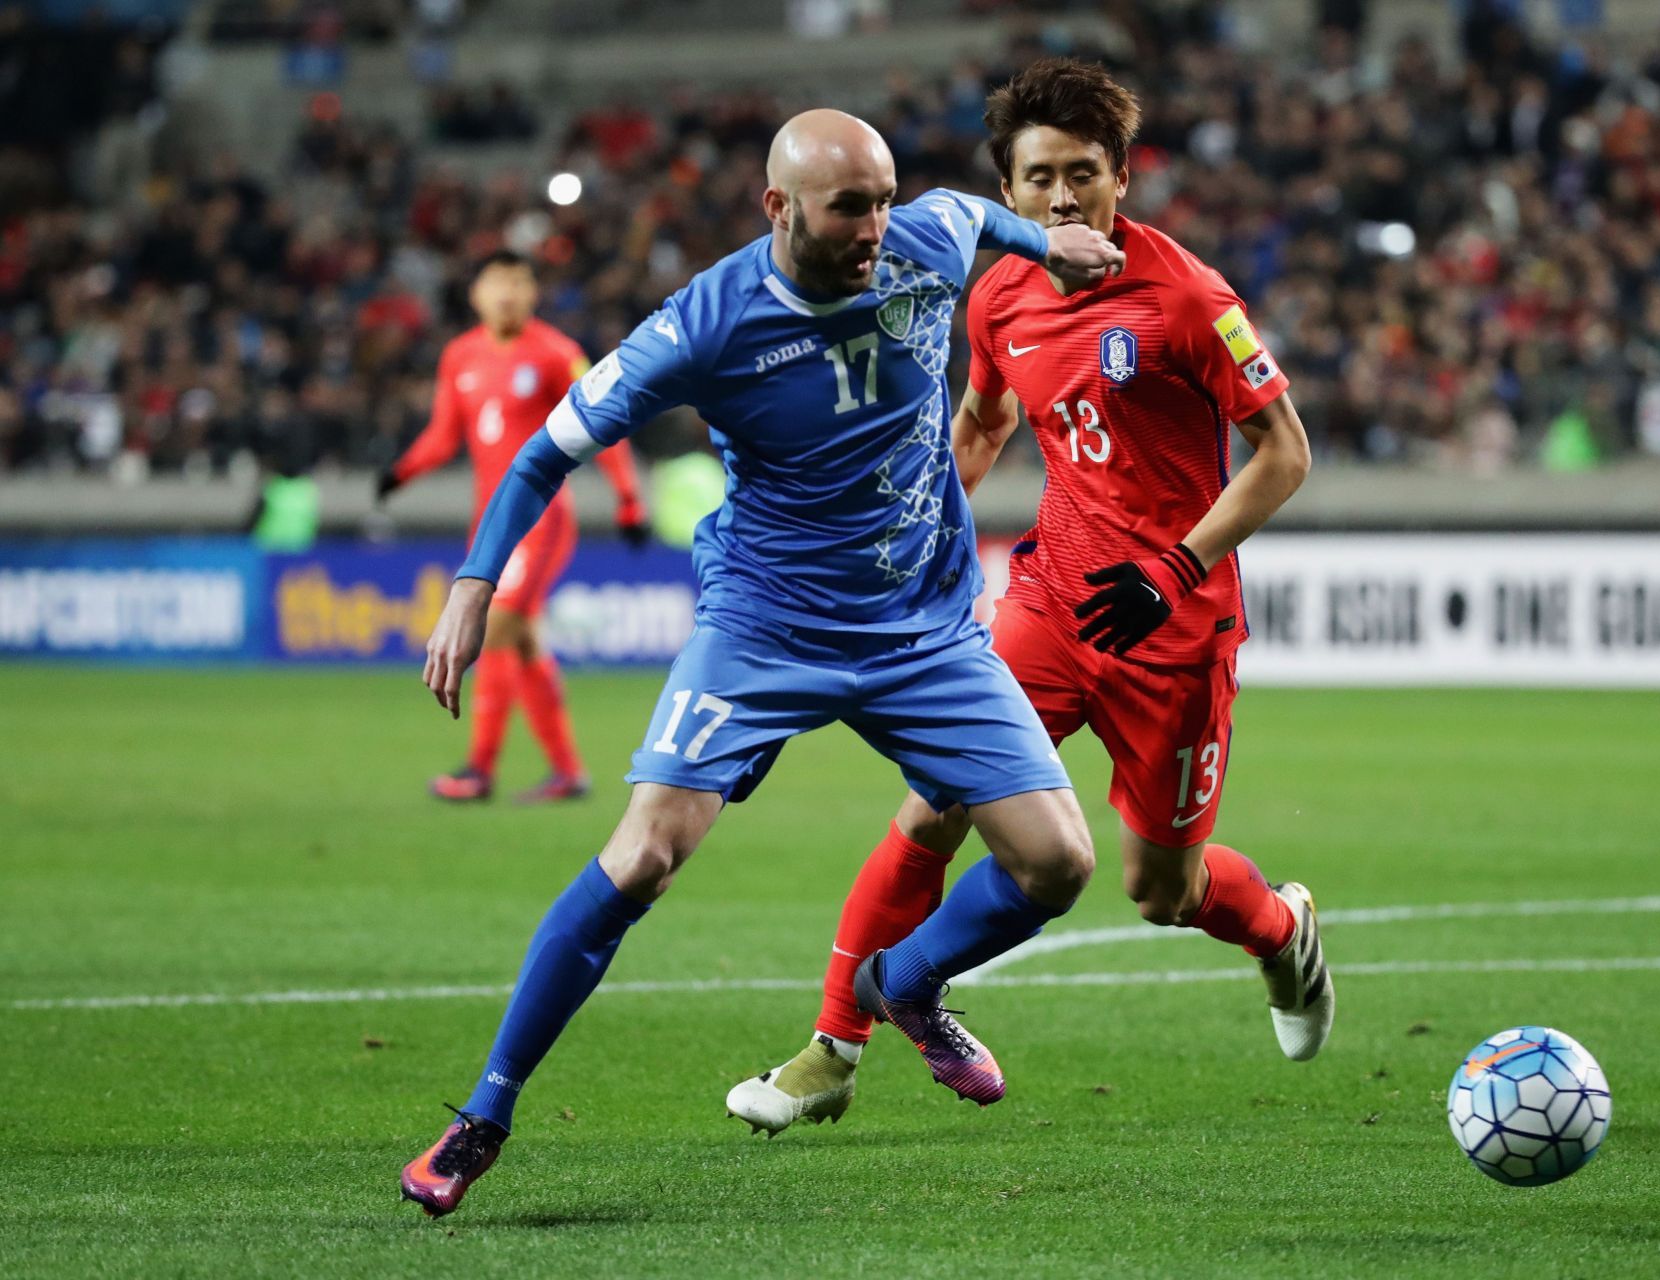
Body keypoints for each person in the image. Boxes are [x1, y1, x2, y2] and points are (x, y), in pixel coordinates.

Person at [399, 109, 1127, 1218]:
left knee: (1060, 863)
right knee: (642, 856)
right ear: (777, 207)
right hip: (767, 625)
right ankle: (482, 1115)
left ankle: (909, 982)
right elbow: (548, 451)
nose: (878, 225)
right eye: (850, 206)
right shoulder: (702, 324)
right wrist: (472, 583)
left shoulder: (923, 238)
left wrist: (1045, 243)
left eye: (884, 197)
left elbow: (970, 211)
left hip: (923, 628)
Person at [726, 60, 1331, 1138]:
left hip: (1173, 625)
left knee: (1161, 888)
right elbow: (982, 422)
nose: (1063, 198)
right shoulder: (998, 288)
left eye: (1083, 175)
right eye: (1042, 176)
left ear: (1122, 179)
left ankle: (1281, 928)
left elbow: (1285, 454)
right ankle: (834, 1048)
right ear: (1009, 192)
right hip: (1050, 602)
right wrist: (906, 532)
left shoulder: (1190, 297)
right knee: (933, 803)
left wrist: (1177, 566)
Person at [377, 250, 649, 804]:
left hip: (541, 521)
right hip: (492, 524)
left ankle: (478, 770)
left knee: (495, 630)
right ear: (475, 294)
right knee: (523, 643)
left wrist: (628, 501)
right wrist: (400, 473)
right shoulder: (460, 356)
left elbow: (604, 423)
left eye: (520, 283)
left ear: (533, 294)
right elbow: (443, 435)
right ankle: (569, 773)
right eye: (497, 282)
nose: (508, 293)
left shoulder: (557, 353)